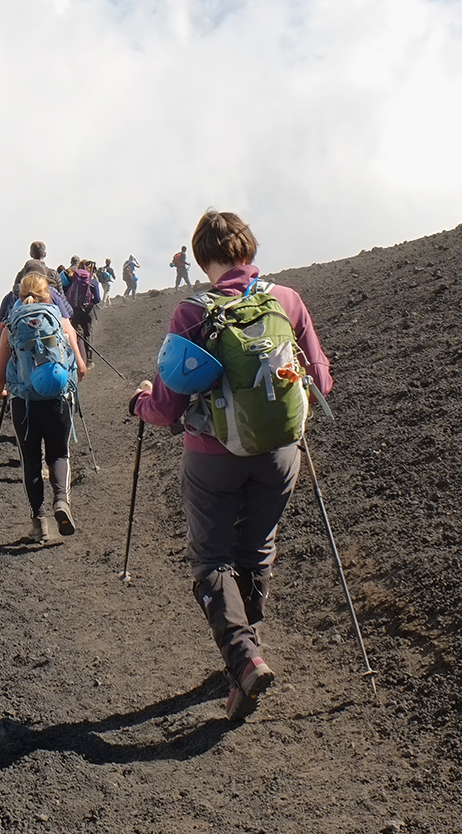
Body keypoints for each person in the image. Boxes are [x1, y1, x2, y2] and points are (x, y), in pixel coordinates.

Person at [130, 211, 333, 721]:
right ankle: (249, 654)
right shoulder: (286, 300)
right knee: (257, 549)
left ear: (203, 259)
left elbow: (169, 407)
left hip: (213, 460)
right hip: (282, 453)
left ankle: (244, 660)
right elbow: (321, 380)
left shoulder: (192, 313)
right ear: (248, 248)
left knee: (212, 560)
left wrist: (140, 403)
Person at [0, 272, 88, 544]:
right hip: (58, 401)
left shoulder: (12, 324)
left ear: (19, 296)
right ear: (49, 294)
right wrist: (67, 385)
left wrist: (2, 392)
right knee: (59, 454)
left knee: (31, 462)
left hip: (24, 404)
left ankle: (39, 523)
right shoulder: (60, 320)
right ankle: (62, 501)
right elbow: (81, 368)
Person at [66, 259, 102, 364]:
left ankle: (80, 359)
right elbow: (98, 299)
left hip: (74, 310)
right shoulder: (92, 280)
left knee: (78, 334)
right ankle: (89, 361)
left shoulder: (73, 277)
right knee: (88, 333)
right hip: (88, 311)